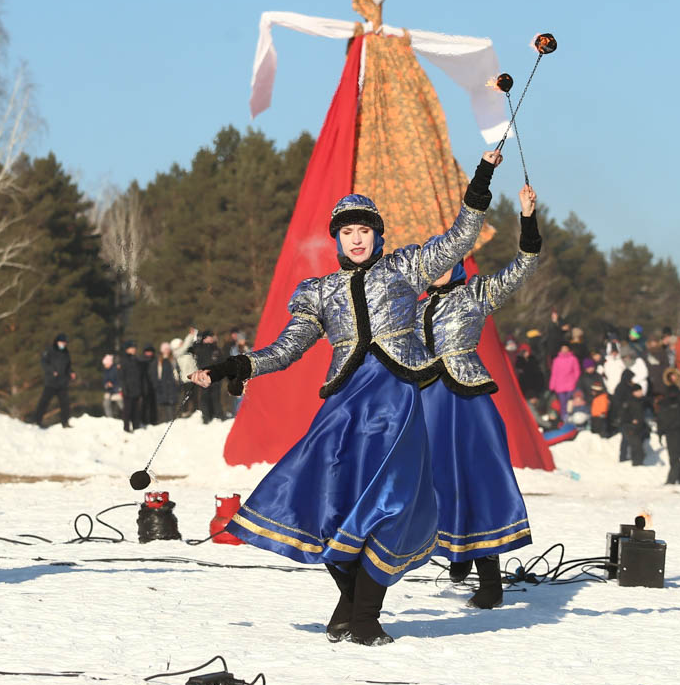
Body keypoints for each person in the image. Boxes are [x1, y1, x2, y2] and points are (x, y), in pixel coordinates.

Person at [193, 153, 497, 645]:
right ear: (337, 238)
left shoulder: (406, 267)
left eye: (365, 230)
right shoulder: (318, 292)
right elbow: (287, 348)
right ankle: (348, 610)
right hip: (345, 407)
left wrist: (482, 174)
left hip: (396, 402)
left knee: (392, 505)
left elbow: (461, 236)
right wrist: (235, 365)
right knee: (329, 503)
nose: (356, 238)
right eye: (347, 231)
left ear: (378, 235)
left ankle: (363, 618)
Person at [419, 178, 540, 608]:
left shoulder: (475, 293)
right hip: (427, 405)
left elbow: (523, 265)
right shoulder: (411, 308)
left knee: (477, 480)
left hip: (467, 405)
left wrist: (526, 218)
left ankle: (489, 579)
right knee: (432, 482)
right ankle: (456, 555)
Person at [656, 368, 680, 484]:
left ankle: (672, 479)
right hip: (676, 432)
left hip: (675, 432)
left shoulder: (668, 403)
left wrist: (661, 432)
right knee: (677, 456)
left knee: (675, 456)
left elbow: (661, 420)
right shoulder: (679, 402)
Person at [29, 334, 74, 428]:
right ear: (57, 342)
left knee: (65, 403)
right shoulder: (50, 350)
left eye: (65, 343)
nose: (63, 344)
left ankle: (65, 422)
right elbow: (44, 362)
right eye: (62, 342)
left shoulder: (66, 352)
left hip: (62, 382)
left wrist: (71, 372)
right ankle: (36, 420)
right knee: (44, 402)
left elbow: (68, 366)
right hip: (51, 382)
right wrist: (52, 371)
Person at [100, 354, 123, 419]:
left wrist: (114, 385)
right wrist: (107, 384)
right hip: (109, 390)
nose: (105, 365)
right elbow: (104, 380)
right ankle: (109, 417)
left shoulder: (116, 369)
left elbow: (119, 380)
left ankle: (126, 417)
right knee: (106, 403)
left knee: (121, 404)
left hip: (117, 390)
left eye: (106, 364)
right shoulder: (105, 371)